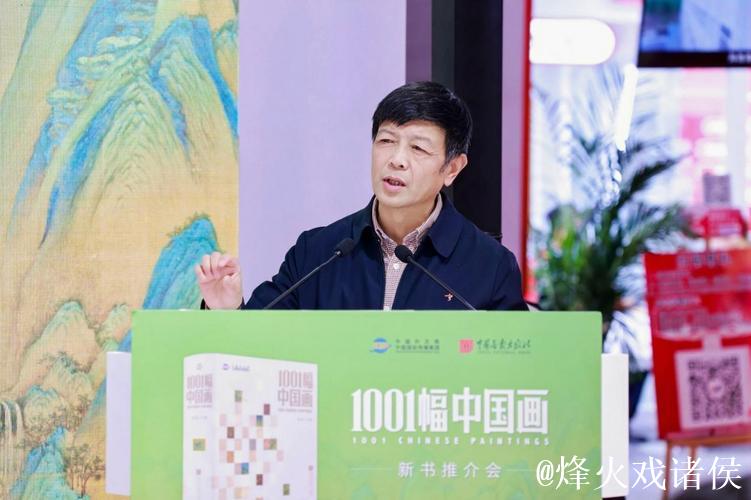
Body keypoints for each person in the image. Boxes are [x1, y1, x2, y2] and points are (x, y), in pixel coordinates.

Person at [195, 81, 527, 311]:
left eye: (418, 148)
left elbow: (513, 369)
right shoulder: (318, 253)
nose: (396, 159)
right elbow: (260, 348)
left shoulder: (490, 266)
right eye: (386, 141)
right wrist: (227, 310)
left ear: (452, 168)